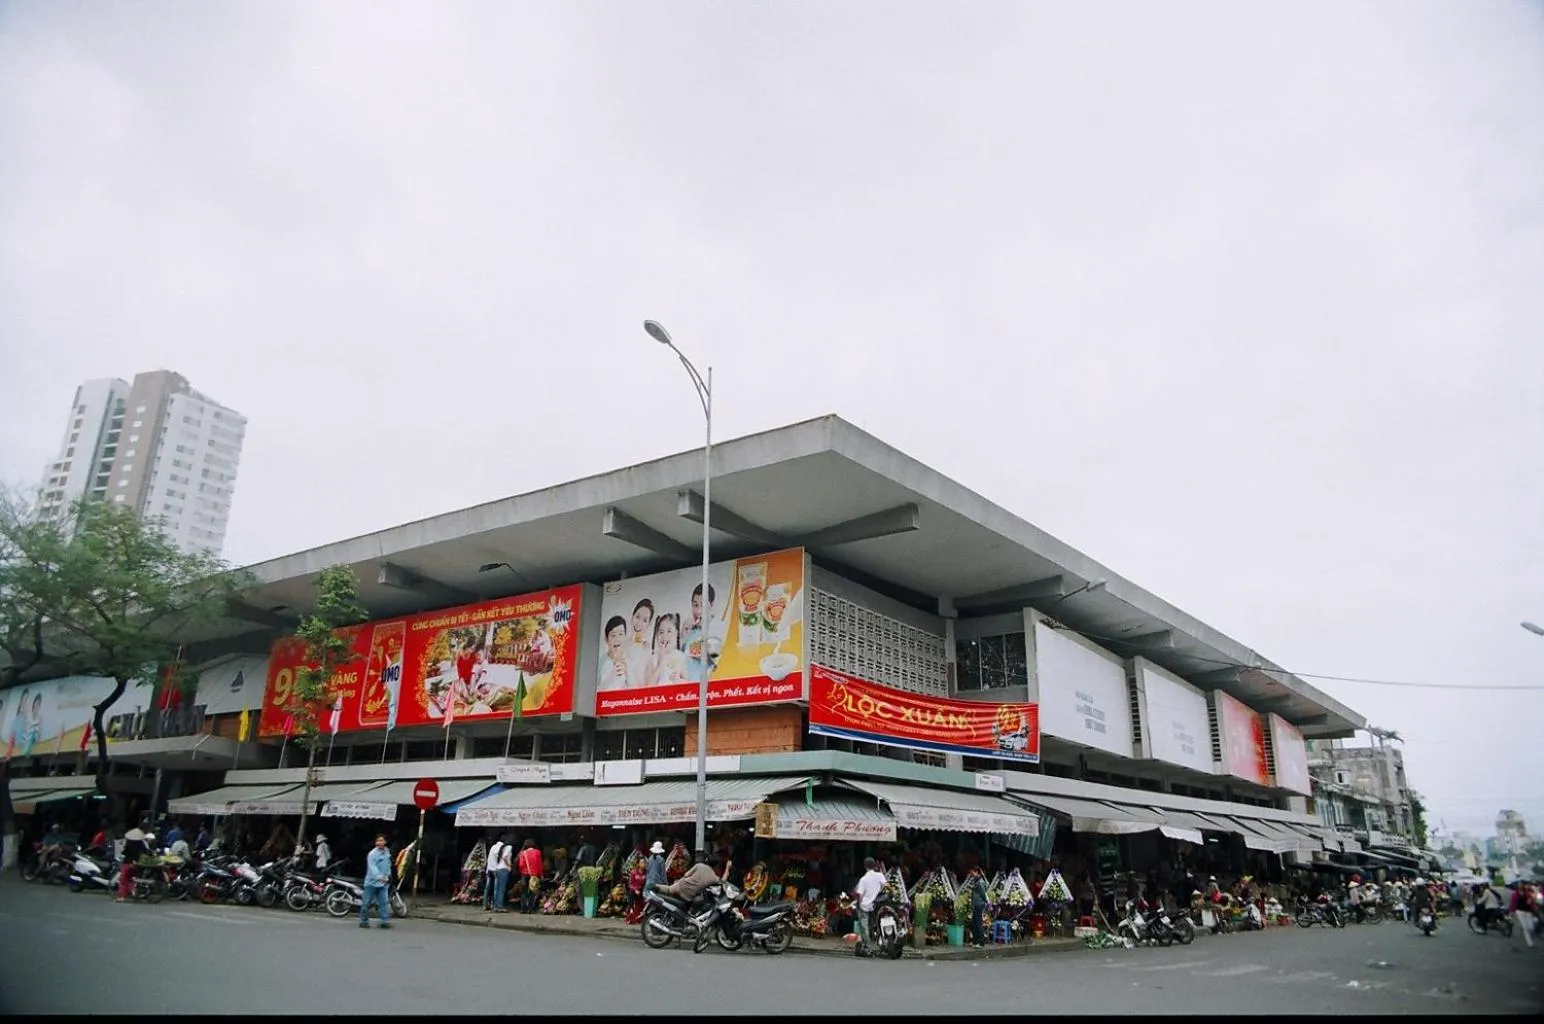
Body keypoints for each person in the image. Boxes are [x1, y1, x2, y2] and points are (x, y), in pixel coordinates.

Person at [852, 857, 886, 957]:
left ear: (865, 867)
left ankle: (866, 948)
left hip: (864, 906)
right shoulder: (879, 875)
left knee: (864, 928)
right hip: (874, 905)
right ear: (874, 866)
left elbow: (859, 894)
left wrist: (858, 903)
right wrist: (877, 891)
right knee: (871, 926)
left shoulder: (863, 880)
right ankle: (864, 945)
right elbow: (885, 885)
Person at [657, 856, 722, 909]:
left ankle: (654, 886)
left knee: (668, 889)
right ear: (717, 865)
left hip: (680, 886)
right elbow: (723, 882)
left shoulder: (699, 865)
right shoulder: (714, 878)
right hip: (687, 896)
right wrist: (727, 869)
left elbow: (686, 875)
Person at [359, 835, 393, 929]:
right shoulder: (372, 854)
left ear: (385, 842)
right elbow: (372, 867)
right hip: (371, 882)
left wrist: (388, 875)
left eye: (381, 840)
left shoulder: (387, 852)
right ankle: (363, 921)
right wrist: (380, 877)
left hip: (383, 883)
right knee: (366, 903)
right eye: (378, 841)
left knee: (384, 902)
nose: (379, 842)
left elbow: (388, 865)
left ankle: (384, 921)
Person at [118, 827, 150, 903]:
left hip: (128, 863)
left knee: (124, 879)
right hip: (139, 864)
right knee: (133, 878)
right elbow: (147, 851)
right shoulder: (142, 843)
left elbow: (124, 852)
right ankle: (132, 892)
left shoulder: (129, 843)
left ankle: (122, 896)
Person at [966, 865, 990, 949]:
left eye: (973, 872)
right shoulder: (976, 881)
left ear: (977, 872)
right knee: (974, 923)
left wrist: (985, 901)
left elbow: (983, 894)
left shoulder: (980, 882)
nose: (971, 874)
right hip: (976, 904)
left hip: (979, 904)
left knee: (978, 923)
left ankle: (981, 943)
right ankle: (975, 941)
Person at [517, 839, 543, 914]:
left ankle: (523, 909)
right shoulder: (537, 852)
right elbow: (539, 864)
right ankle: (530, 909)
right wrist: (541, 874)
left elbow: (521, 865)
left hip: (524, 874)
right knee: (533, 891)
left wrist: (522, 871)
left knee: (523, 892)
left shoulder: (522, 853)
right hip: (534, 874)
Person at [1509, 882, 1536, 951]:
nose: (1520, 886)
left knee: (1531, 927)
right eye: (1519, 885)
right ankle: (1530, 943)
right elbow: (1513, 903)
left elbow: (1533, 900)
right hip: (1520, 911)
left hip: (1528, 911)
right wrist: (1512, 911)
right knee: (1525, 928)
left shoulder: (1527, 892)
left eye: (1521, 884)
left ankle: (1531, 937)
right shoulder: (1515, 893)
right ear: (1517, 886)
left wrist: (1531, 901)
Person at [483, 835, 506, 911]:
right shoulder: (502, 848)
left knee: (487, 888)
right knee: (496, 888)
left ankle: (485, 904)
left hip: (489, 869)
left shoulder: (493, 847)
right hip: (496, 870)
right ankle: (494, 905)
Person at [493, 834, 514, 913]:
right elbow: (505, 857)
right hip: (503, 869)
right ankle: (500, 907)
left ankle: (496, 906)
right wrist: (509, 865)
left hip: (498, 868)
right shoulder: (509, 847)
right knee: (501, 889)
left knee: (497, 889)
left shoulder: (503, 847)